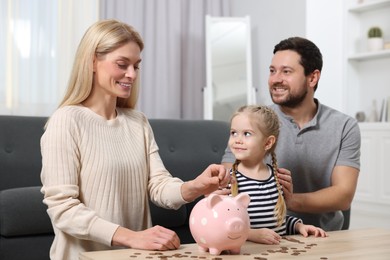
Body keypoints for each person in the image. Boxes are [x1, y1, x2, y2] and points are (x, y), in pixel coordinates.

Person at [40, 19, 229, 260]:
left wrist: (194, 187)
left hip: (135, 256)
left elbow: (158, 184)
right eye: (122, 64)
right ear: (92, 62)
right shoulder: (66, 121)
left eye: (136, 66)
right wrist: (131, 236)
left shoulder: (137, 122)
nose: (131, 74)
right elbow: (63, 208)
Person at [222, 37, 361, 231]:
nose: (275, 79)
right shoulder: (252, 122)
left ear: (312, 78)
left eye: (286, 71)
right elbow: (228, 185)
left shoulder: (345, 126)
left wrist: (288, 200)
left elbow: (343, 195)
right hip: (262, 236)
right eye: (272, 71)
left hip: (323, 236)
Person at [228, 105, 327, 245]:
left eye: (247, 134)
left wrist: (299, 226)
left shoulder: (276, 178)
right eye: (233, 133)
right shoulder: (229, 180)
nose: (237, 139)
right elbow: (223, 223)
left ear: (268, 142)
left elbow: (277, 221)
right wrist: (250, 234)